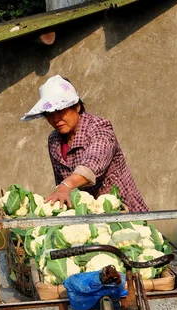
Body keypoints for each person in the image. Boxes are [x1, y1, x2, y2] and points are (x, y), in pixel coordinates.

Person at [21, 75, 148, 212]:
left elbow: (94, 162)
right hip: (88, 218)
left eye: (60, 111)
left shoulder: (99, 128)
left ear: (77, 106)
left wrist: (66, 185)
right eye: (49, 114)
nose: (55, 119)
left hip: (126, 213)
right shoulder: (54, 141)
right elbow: (62, 186)